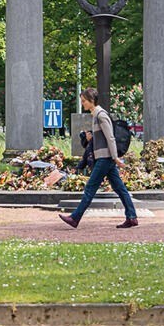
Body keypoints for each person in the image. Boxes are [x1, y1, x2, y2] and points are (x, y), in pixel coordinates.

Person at [59, 87, 138, 229]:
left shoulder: (101, 115)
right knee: (119, 188)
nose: (82, 103)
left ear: (91, 100)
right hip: (106, 157)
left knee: (90, 187)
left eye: (84, 101)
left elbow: (110, 137)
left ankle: (75, 218)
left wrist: (115, 157)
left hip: (105, 158)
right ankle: (131, 217)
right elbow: (103, 138)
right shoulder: (96, 115)